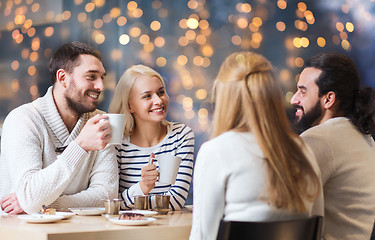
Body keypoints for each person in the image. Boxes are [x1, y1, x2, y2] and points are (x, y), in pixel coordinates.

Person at [190, 51, 323, 240]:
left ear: (225, 98)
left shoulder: (216, 151)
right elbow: (317, 225)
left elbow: (203, 236)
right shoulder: (302, 149)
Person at [0, 41, 118, 214]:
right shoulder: (23, 120)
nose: (100, 86)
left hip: (79, 232)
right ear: (62, 78)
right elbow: (30, 197)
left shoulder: (99, 122)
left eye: (102, 78)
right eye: (91, 77)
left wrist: (47, 206)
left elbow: (106, 196)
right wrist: (80, 147)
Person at [290, 52, 375, 240]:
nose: (294, 99)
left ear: (328, 99)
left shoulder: (318, 139)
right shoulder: (365, 139)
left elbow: (284, 207)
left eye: (303, 91)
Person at [108, 64, 194, 211]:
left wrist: (134, 200)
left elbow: (176, 200)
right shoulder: (117, 144)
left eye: (161, 92)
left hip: (169, 230)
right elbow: (111, 203)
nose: (159, 101)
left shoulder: (181, 136)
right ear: (130, 106)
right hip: (127, 230)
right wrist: (143, 187)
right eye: (147, 96)